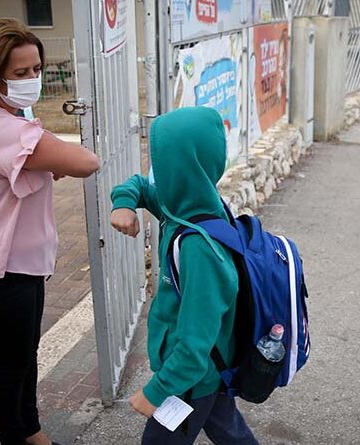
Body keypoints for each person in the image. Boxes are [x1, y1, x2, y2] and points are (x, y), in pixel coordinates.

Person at [0, 18, 99, 445]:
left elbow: (22, 176)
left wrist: (47, 160)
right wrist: (53, 153)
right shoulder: (4, 129)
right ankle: (16, 435)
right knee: (12, 365)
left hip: (13, 268)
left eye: (36, 70)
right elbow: (87, 162)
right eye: (20, 73)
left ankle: (30, 431)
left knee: (23, 358)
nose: (32, 79)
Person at [110, 107, 258, 445]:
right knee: (229, 431)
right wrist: (123, 203)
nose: (154, 172)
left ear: (181, 167)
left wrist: (156, 392)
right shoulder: (186, 205)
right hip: (207, 369)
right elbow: (136, 185)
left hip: (189, 377)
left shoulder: (198, 249)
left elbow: (195, 341)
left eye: (160, 162)